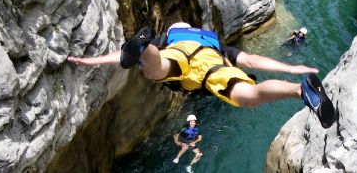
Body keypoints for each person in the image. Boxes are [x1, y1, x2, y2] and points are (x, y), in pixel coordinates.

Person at [67, 22, 335, 128]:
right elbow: (251, 59)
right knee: (250, 96)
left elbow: (120, 56)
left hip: (180, 54)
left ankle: (144, 46)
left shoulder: (171, 38)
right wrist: (290, 68)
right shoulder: (215, 42)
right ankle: (300, 90)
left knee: (156, 69)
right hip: (212, 64)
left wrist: (91, 61)